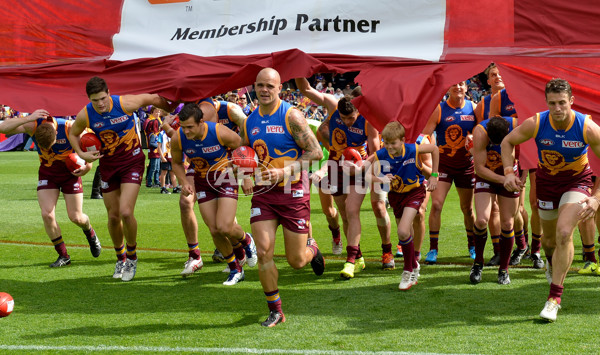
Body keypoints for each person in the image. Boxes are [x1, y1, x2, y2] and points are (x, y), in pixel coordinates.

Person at [501, 78, 600, 322]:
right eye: (553, 103)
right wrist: (507, 172)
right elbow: (507, 141)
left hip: (577, 182)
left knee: (564, 232)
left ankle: (554, 299)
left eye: (562, 103)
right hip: (546, 184)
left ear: (572, 102)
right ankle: (550, 260)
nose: (558, 108)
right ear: (546, 102)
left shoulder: (587, 127)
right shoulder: (536, 123)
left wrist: (597, 197)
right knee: (548, 241)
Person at [68, 76, 175, 282]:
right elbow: (74, 134)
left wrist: (176, 111)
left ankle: (132, 257)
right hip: (108, 166)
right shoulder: (86, 114)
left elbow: (153, 98)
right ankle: (120, 257)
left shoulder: (125, 103)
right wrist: (82, 155)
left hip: (132, 162)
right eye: (94, 100)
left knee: (126, 212)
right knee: (113, 216)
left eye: (102, 98)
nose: (99, 103)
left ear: (109, 93)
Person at [241, 68, 324, 327]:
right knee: (264, 252)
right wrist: (244, 174)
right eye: (259, 85)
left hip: (292, 192)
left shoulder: (292, 115)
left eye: (269, 85)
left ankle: (313, 248)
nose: (264, 90)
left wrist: (286, 171)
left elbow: (316, 152)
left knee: (296, 261)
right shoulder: (249, 120)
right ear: (254, 87)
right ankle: (276, 309)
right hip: (264, 194)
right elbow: (246, 151)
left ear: (279, 88)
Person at [296, 77, 390, 278]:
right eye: (344, 118)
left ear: (358, 111)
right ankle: (359, 258)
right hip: (335, 167)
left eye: (351, 119)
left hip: (359, 168)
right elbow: (305, 89)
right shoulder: (333, 106)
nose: (347, 122)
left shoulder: (368, 120)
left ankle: (351, 260)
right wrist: (299, 68)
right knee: (345, 215)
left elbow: (377, 152)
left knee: (352, 209)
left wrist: (361, 167)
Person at [169, 103, 256, 285]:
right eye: (183, 127)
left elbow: (243, 150)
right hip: (203, 182)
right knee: (215, 230)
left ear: (201, 122)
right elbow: (176, 163)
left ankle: (246, 240)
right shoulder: (179, 137)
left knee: (225, 226)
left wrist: (246, 176)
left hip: (225, 179)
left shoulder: (219, 132)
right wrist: (184, 182)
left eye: (190, 127)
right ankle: (235, 269)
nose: (186, 131)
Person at [0, 111, 102, 266]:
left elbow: (91, 147)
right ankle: (63, 256)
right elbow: (3, 128)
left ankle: (91, 233)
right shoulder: (32, 125)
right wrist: (28, 117)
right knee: (47, 214)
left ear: (55, 132)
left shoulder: (70, 127)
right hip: (48, 172)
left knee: (76, 217)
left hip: (71, 174)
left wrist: (87, 167)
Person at [368, 122, 439, 290]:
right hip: (395, 196)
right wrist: (380, 179)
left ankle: (407, 271)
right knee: (405, 233)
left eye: (393, 143)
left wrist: (434, 175)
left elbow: (435, 150)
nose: (390, 146)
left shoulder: (413, 149)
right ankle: (414, 265)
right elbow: (366, 173)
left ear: (402, 140)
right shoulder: (381, 154)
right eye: (386, 142)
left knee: (402, 231)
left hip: (414, 192)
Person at [421, 81, 479, 263]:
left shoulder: (474, 108)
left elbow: (482, 133)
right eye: (454, 84)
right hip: (443, 166)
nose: (458, 87)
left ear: (467, 87)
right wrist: (429, 154)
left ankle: (472, 246)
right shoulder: (439, 109)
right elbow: (425, 136)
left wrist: (474, 140)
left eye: (461, 84)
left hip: (466, 167)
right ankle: (433, 249)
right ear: (447, 88)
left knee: (468, 209)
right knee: (437, 205)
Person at [470, 116, 523, 284]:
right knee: (481, 220)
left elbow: (527, 158)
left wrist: (522, 177)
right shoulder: (480, 132)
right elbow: (479, 169)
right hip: (488, 176)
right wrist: (504, 180)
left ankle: (504, 269)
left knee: (507, 223)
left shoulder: (518, 126)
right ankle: (478, 263)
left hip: (510, 175)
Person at [144, 106, 163, 188]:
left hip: (158, 153)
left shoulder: (156, 134)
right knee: (153, 168)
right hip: (154, 152)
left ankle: (156, 181)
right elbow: (151, 143)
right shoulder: (152, 134)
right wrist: (159, 146)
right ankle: (149, 182)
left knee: (157, 168)